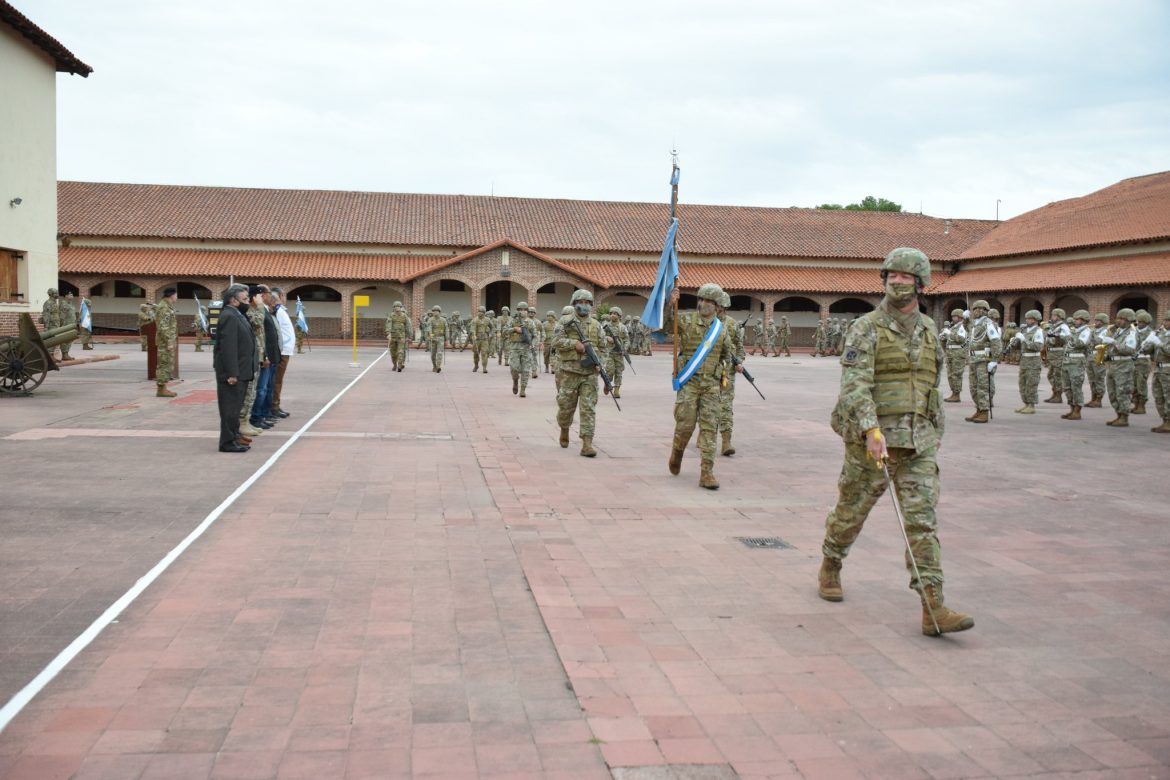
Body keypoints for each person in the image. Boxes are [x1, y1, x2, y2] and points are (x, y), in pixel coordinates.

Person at [820, 247, 973, 637]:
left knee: (922, 523)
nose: (898, 282)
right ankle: (831, 562)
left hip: (918, 443)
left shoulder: (929, 329)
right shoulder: (866, 327)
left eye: (906, 277)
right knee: (851, 513)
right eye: (892, 276)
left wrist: (936, 431)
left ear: (921, 284)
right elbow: (855, 385)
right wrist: (870, 430)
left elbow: (932, 383)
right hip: (872, 443)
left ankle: (933, 607)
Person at [668, 283, 735, 489]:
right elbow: (667, 326)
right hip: (689, 383)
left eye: (709, 301)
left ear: (717, 306)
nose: (704, 304)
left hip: (711, 387)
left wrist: (722, 375)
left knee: (709, 429)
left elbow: (727, 356)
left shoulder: (721, 330)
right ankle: (677, 451)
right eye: (702, 299)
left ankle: (707, 473)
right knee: (685, 425)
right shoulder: (686, 320)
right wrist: (670, 306)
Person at [554, 290, 607, 457]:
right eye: (580, 302)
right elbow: (555, 341)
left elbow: (604, 348)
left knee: (588, 408)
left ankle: (587, 444)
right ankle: (564, 428)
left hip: (589, 374)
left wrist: (600, 364)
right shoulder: (565, 321)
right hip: (569, 372)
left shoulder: (596, 325)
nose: (584, 305)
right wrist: (573, 343)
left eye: (587, 302)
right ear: (574, 303)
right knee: (565, 407)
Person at [213, 284, 255, 453]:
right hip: (233, 373)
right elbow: (228, 347)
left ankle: (235, 436)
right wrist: (232, 373)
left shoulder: (237, 314)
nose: (248, 302)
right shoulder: (229, 316)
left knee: (235, 408)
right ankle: (227, 442)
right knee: (230, 409)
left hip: (241, 370)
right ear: (233, 300)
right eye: (244, 299)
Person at [715, 291, 745, 456]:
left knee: (725, 405)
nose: (717, 308)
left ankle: (726, 441)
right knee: (707, 406)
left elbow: (740, 347)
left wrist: (739, 362)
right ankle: (705, 434)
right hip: (708, 372)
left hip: (726, 372)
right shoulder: (705, 323)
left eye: (720, 305)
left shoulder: (733, 324)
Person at [965, 300, 1001, 423]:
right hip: (973, 359)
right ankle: (978, 409)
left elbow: (996, 342)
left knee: (983, 386)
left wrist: (994, 360)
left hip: (984, 360)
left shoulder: (988, 324)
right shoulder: (974, 324)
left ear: (985, 310)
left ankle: (984, 411)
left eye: (979, 308)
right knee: (973, 386)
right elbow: (967, 330)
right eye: (974, 309)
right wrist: (965, 319)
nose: (976, 311)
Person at [1102, 308, 1139, 427]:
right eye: (1118, 318)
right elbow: (1112, 349)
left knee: (1122, 392)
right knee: (1112, 392)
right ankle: (1118, 415)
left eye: (1122, 319)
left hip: (1124, 365)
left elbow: (1129, 349)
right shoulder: (1118, 332)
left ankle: (1124, 417)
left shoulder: (1131, 333)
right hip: (1113, 365)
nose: (1119, 321)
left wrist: (1113, 342)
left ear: (1129, 320)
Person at [1008, 309, 1045, 414]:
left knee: (1031, 383)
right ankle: (1026, 403)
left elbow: (1038, 347)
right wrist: (1014, 342)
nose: (1027, 320)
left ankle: (1031, 405)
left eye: (1029, 319)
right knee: (1022, 383)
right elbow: (1020, 347)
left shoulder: (1038, 331)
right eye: (1027, 318)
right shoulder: (1025, 331)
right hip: (1024, 360)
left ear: (1034, 320)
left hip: (1033, 361)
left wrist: (1024, 339)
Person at [1061, 310, 1093, 420]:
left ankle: (1077, 411)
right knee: (1067, 387)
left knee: (1076, 387)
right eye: (1075, 319)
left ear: (1083, 320)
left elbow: (1081, 343)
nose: (1075, 321)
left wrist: (1069, 335)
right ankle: (1072, 408)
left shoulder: (1086, 331)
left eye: (1077, 319)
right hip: (1067, 361)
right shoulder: (1074, 331)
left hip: (1077, 362)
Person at [270, 288, 294, 418]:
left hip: (286, 350)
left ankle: (276, 405)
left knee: (278, 380)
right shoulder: (277, 311)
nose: (285, 298)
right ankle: (274, 406)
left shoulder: (281, 310)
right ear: (279, 296)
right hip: (281, 351)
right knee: (276, 380)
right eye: (284, 295)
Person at [1145, 311, 1170, 433]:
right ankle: (1165, 421)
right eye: (1165, 320)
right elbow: (1149, 351)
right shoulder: (1162, 334)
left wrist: (1159, 343)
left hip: (1168, 370)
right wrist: (1148, 342)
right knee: (1158, 396)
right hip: (1159, 369)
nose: (1165, 323)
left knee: (1168, 397)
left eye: (1168, 321)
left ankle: (1168, 422)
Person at [506, 302, 536, 396]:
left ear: (527, 311)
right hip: (514, 348)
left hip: (526, 349)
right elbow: (504, 331)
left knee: (526, 370)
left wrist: (533, 344)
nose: (522, 311)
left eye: (524, 310)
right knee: (514, 368)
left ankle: (523, 390)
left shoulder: (530, 322)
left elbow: (535, 335)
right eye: (520, 309)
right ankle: (515, 380)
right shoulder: (512, 321)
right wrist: (514, 329)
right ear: (517, 310)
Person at [153, 287, 179, 397]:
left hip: (167, 340)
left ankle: (163, 388)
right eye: (176, 295)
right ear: (172, 295)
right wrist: (169, 341)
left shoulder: (167, 306)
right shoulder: (164, 307)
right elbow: (163, 327)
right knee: (164, 364)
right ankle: (161, 389)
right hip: (165, 342)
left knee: (167, 364)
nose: (176, 297)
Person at [1043, 308, 1071, 403]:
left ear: (1060, 316)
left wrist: (1054, 338)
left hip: (1058, 354)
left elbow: (1065, 339)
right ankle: (1054, 392)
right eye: (1052, 315)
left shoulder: (1063, 327)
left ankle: (1058, 395)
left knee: (1057, 375)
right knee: (1050, 375)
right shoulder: (1053, 327)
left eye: (1054, 315)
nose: (1052, 317)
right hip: (1051, 353)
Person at [941, 308, 968, 402]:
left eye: (954, 316)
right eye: (952, 316)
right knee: (950, 374)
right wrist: (943, 337)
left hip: (958, 354)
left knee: (956, 374)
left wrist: (949, 334)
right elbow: (950, 340)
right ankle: (953, 393)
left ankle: (956, 394)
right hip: (951, 353)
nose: (953, 318)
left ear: (960, 317)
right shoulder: (953, 327)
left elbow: (961, 339)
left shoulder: (962, 327)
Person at [601, 306, 629, 399]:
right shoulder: (606, 326)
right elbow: (600, 336)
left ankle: (617, 389)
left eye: (615, 314)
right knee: (609, 371)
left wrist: (624, 349)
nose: (613, 315)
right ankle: (607, 383)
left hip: (619, 353)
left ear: (619, 316)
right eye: (612, 313)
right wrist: (607, 338)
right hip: (609, 353)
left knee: (619, 371)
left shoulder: (622, 327)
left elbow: (627, 340)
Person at [1133, 310, 1155, 415]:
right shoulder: (1134, 330)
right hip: (1133, 360)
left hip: (1143, 361)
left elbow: (1149, 348)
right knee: (1133, 384)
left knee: (1141, 384)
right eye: (1138, 321)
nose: (1139, 324)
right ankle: (1135, 404)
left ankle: (1141, 405)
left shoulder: (1151, 333)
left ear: (1147, 323)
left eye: (1141, 322)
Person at [1086, 312, 1110, 407]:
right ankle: (1093, 397)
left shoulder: (1105, 331)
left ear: (1103, 322)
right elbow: (1087, 342)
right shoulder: (1094, 331)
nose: (1095, 322)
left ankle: (1099, 399)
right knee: (1091, 378)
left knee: (1098, 378)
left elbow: (1099, 341)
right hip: (1090, 356)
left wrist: (1092, 333)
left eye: (1098, 321)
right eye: (1095, 320)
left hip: (1099, 355)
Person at [386, 301, 411, 372]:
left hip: (401, 337)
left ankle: (400, 365)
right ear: (393, 308)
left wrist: (409, 336)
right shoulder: (391, 315)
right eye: (396, 306)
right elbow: (388, 324)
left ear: (401, 307)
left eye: (398, 306)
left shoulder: (404, 316)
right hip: (393, 337)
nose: (397, 308)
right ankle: (394, 365)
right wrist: (388, 333)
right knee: (393, 353)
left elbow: (408, 326)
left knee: (400, 352)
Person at [427, 305, 449, 372]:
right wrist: (430, 335)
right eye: (434, 311)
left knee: (439, 353)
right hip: (433, 338)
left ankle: (438, 366)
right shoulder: (430, 320)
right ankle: (434, 366)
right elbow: (429, 328)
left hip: (440, 338)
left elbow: (446, 330)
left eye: (437, 311)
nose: (435, 312)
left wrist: (447, 339)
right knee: (433, 354)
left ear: (439, 312)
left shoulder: (443, 320)